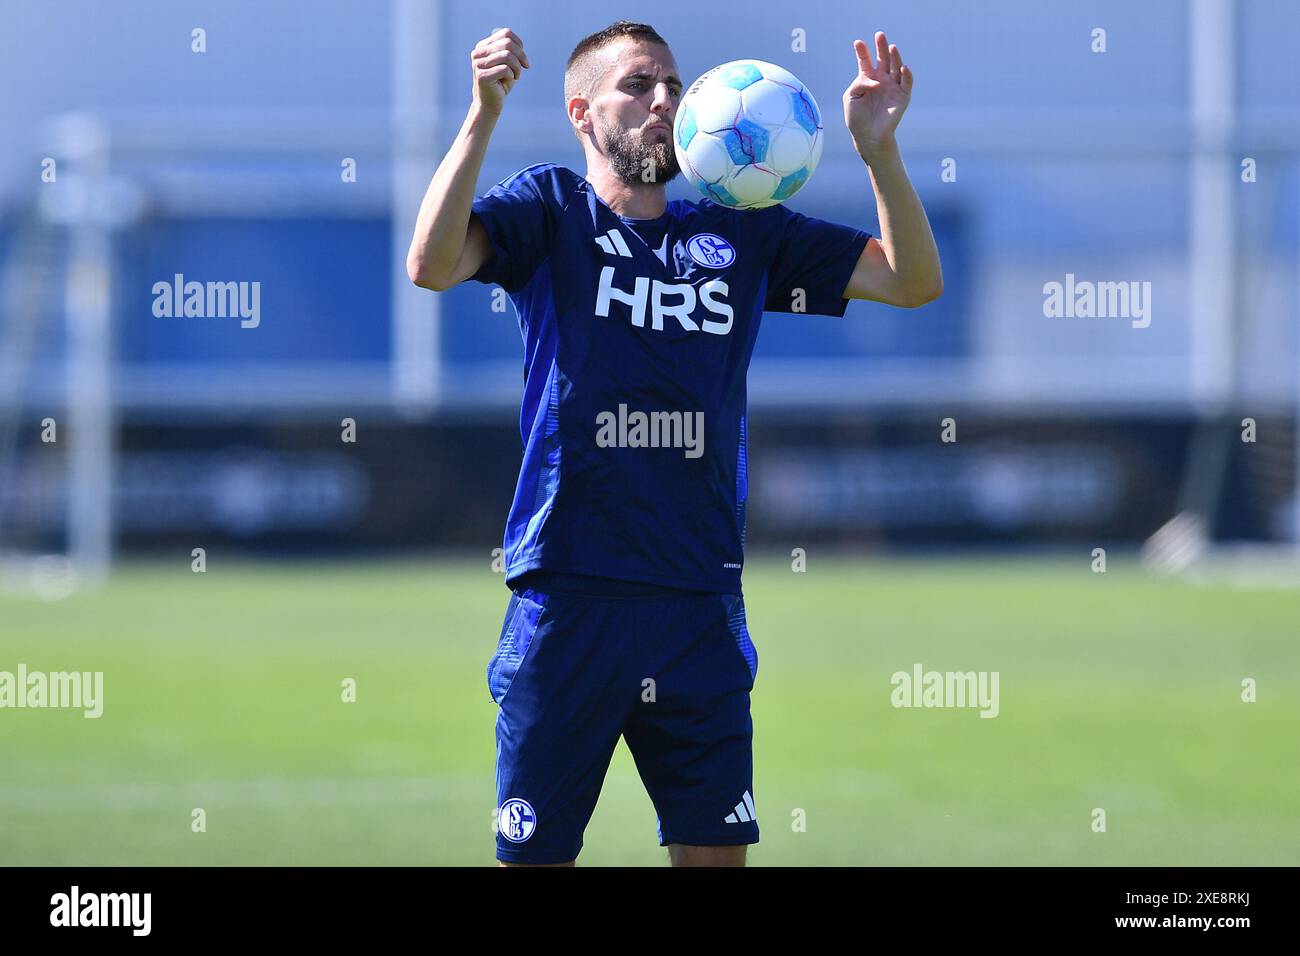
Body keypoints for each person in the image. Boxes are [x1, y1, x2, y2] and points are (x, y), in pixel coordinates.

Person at [407, 20, 942, 867]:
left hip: (698, 601)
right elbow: (432, 264)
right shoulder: (551, 211)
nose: (662, 100)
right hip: (567, 598)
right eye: (637, 85)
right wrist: (481, 114)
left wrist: (879, 153)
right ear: (582, 112)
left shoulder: (742, 233)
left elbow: (911, 281)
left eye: (672, 86)